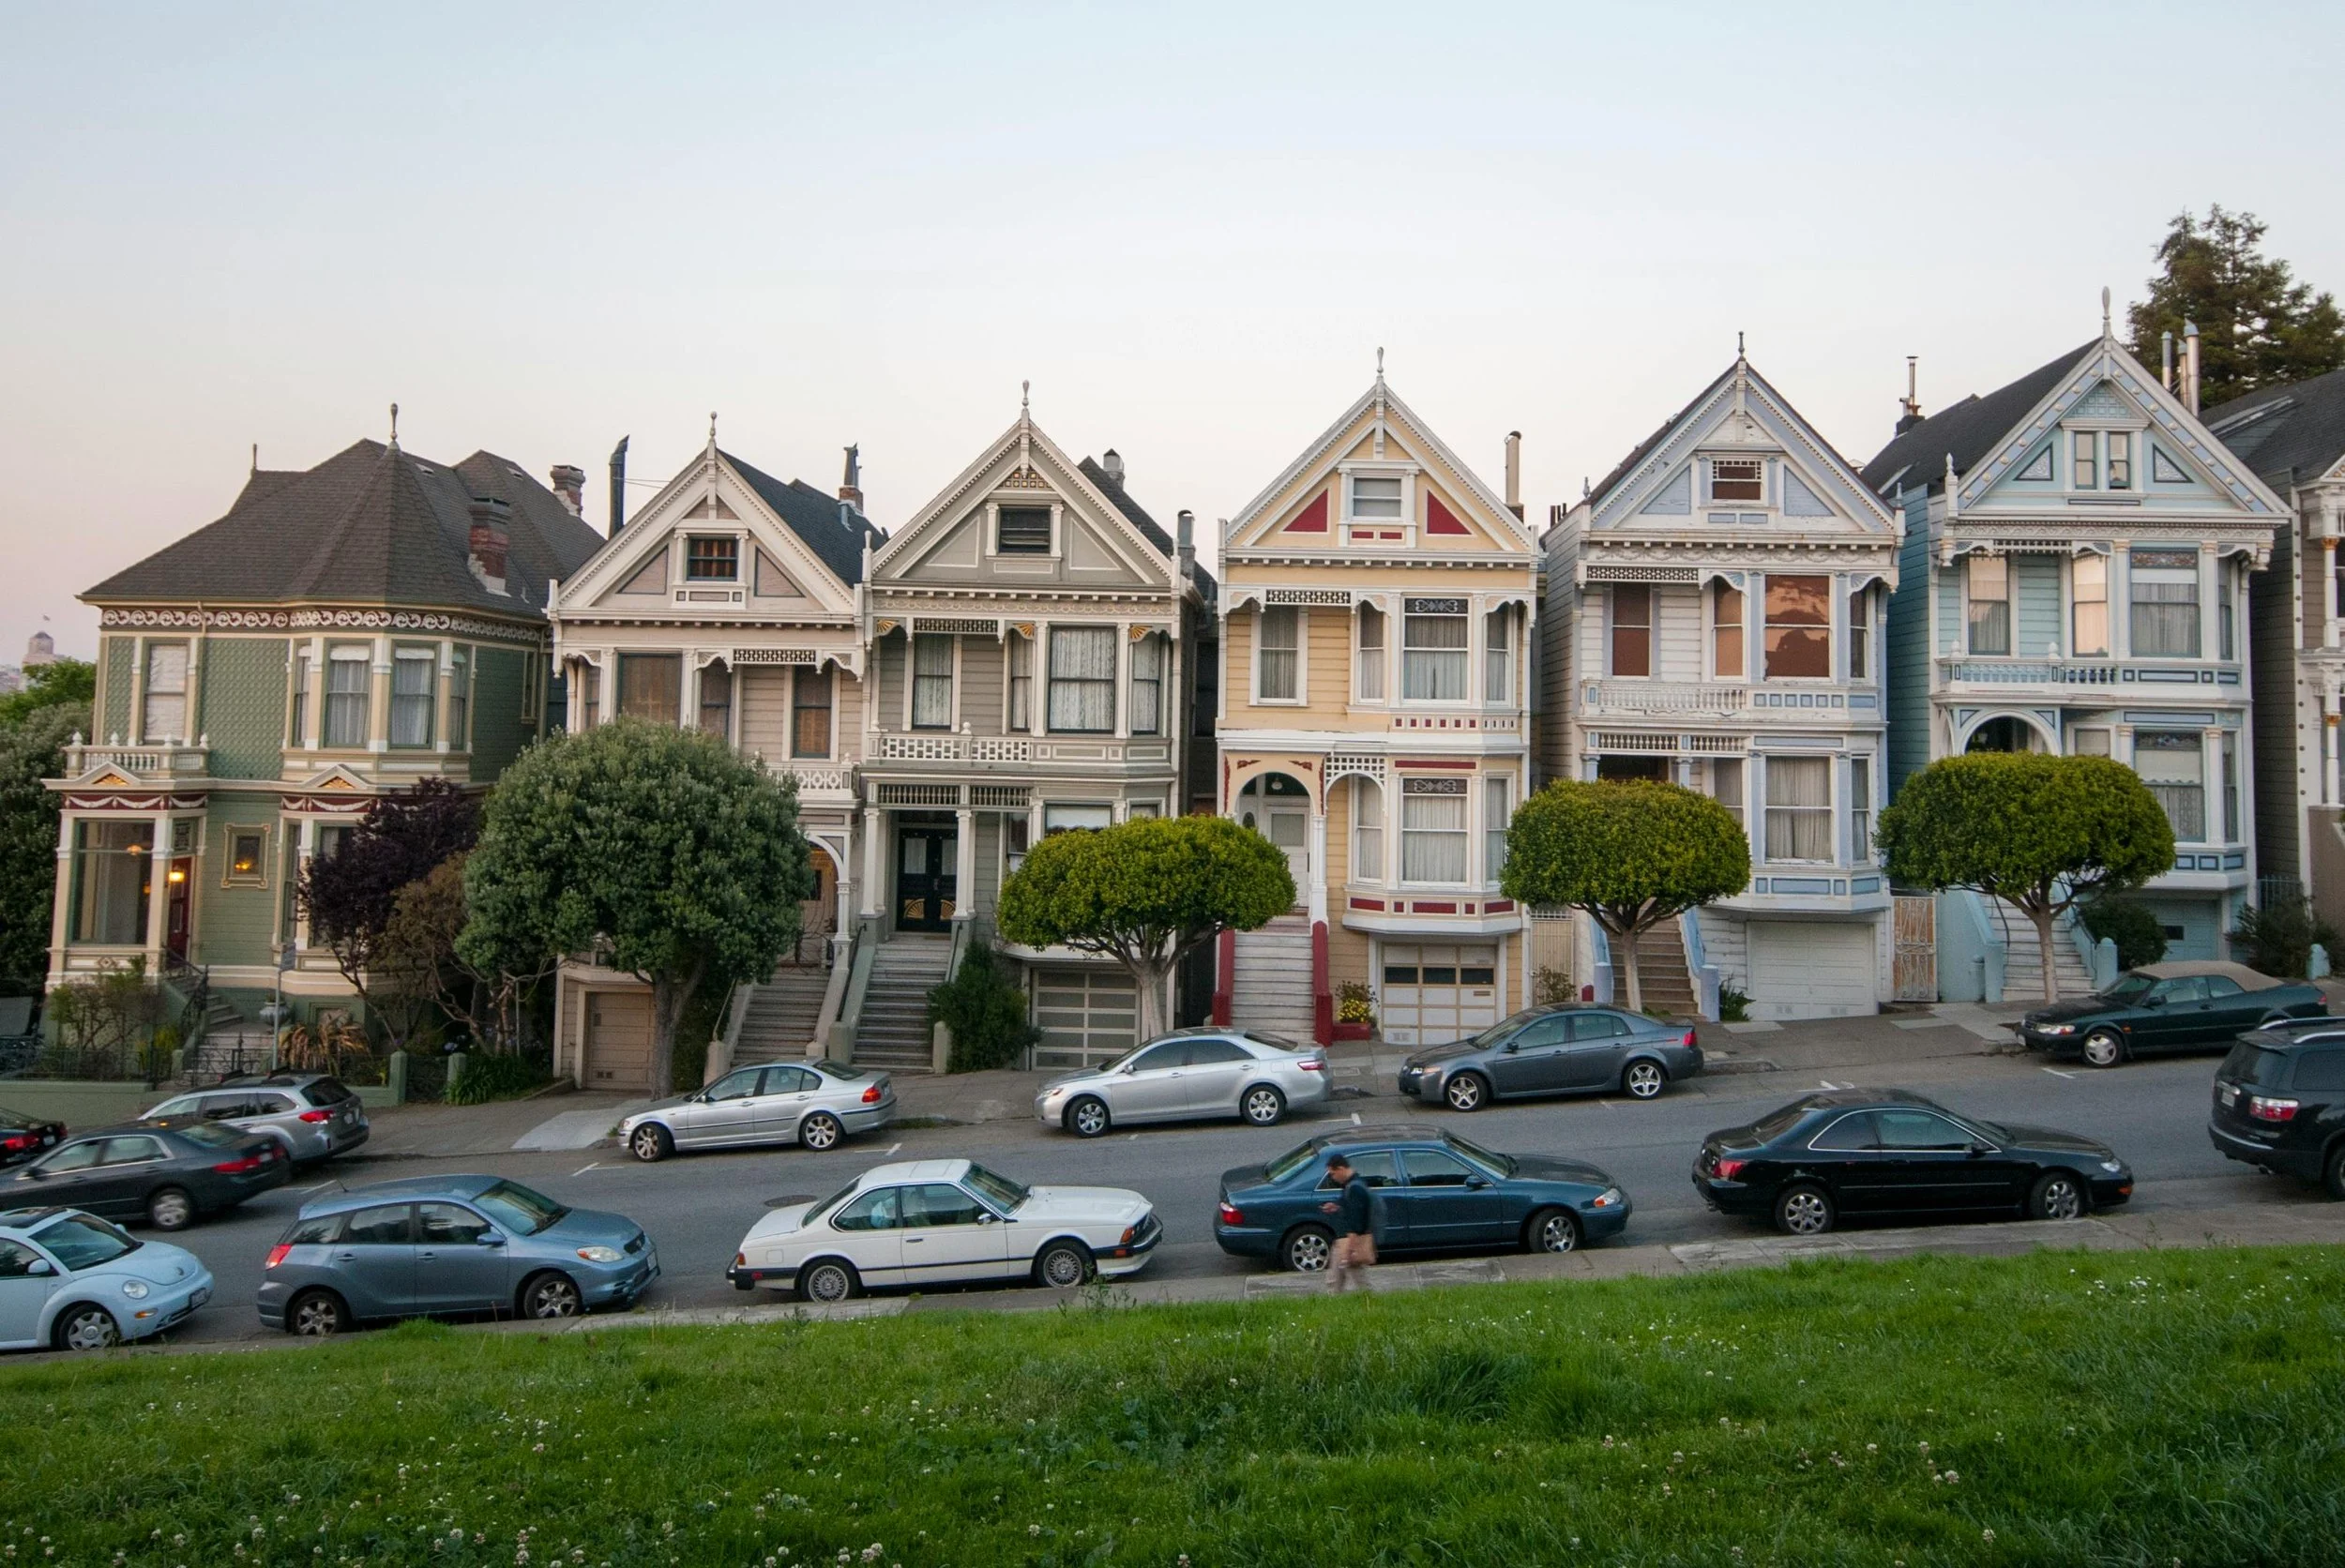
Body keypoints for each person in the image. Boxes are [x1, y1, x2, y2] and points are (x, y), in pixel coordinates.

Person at [1319, 1152, 1376, 1292]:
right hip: (1344, 1241)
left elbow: (1356, 1220)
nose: (1333, 1178)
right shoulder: (1353, 1184)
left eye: (1332, 1174)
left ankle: (1370, 1304)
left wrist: (1350, 1247)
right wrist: (1337, 1205)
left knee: (1355, 1280)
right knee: (1336, 1280)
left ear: (1340, 1169)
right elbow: (1351, 1206)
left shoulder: (1355, 1188)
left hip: (1348, 1242)